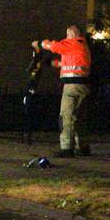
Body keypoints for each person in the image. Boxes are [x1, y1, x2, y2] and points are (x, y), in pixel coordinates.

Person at [33, 25, 91, 157]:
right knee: (79, 117)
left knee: (66, 116)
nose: (65, 38)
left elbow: (54, 46)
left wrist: (40, 43)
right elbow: (63, 64)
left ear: (73, 34)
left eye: (67, 35)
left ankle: (66, 149)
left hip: (72, 87)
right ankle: (83, 146)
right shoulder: (82, 46)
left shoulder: (74, 43)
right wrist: (48, 63)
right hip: (83, 86)